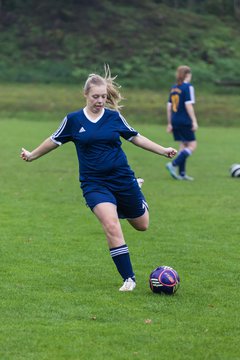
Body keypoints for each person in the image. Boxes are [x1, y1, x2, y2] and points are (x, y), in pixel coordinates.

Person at [21, 65, 177, 292]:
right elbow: (54, 140)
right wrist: (32, 155)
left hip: (122, 178)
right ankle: (129, 278)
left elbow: (136, 138)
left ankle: (136, 190)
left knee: (142, 225)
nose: (100, 100)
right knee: (111, 225)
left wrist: (163, 150)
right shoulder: (74, 120)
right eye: (96, 96)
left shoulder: (114, 118)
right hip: (94, 184)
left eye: (104, 96)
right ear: (85, 95)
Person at [166, 65, 198, 180]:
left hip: (175, 120)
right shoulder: (188, 87)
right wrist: (194, 121)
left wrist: (170, 123)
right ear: (187, 75)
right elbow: (188, 104)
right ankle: (173, 164)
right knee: (192, 145)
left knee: (183, 146)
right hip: (184, 120)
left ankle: (182, 174)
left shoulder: (174, 88)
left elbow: (169, 107)